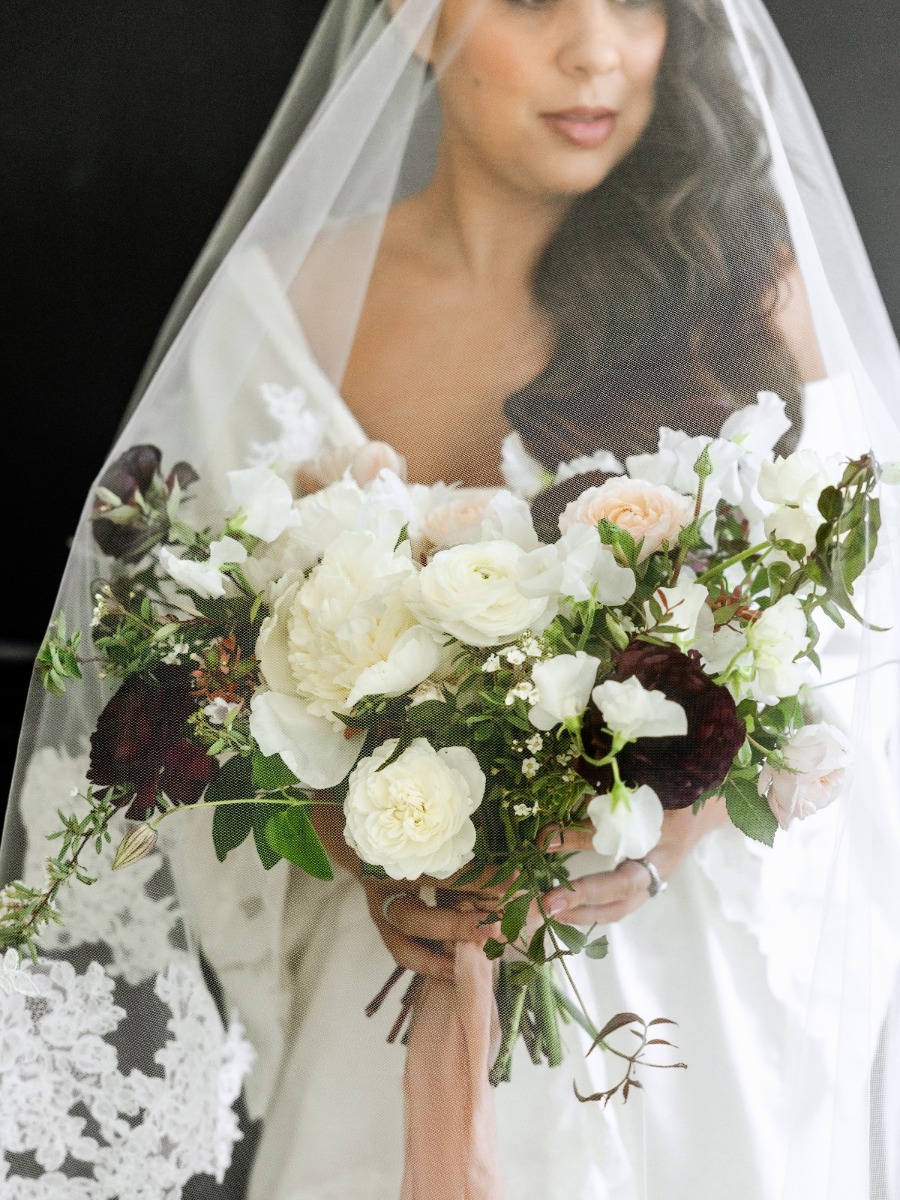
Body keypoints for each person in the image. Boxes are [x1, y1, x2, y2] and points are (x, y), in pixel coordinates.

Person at [1, 1, 899, 1198]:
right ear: (419, 22)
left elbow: (862, 653)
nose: (597, 49)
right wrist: (352, 836)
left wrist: (677, 822)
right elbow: (183, 676)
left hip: (679, 1017)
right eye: (535, 1)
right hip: (386, 1002)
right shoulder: (287, 309)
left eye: (636, 2)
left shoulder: (747, 296)